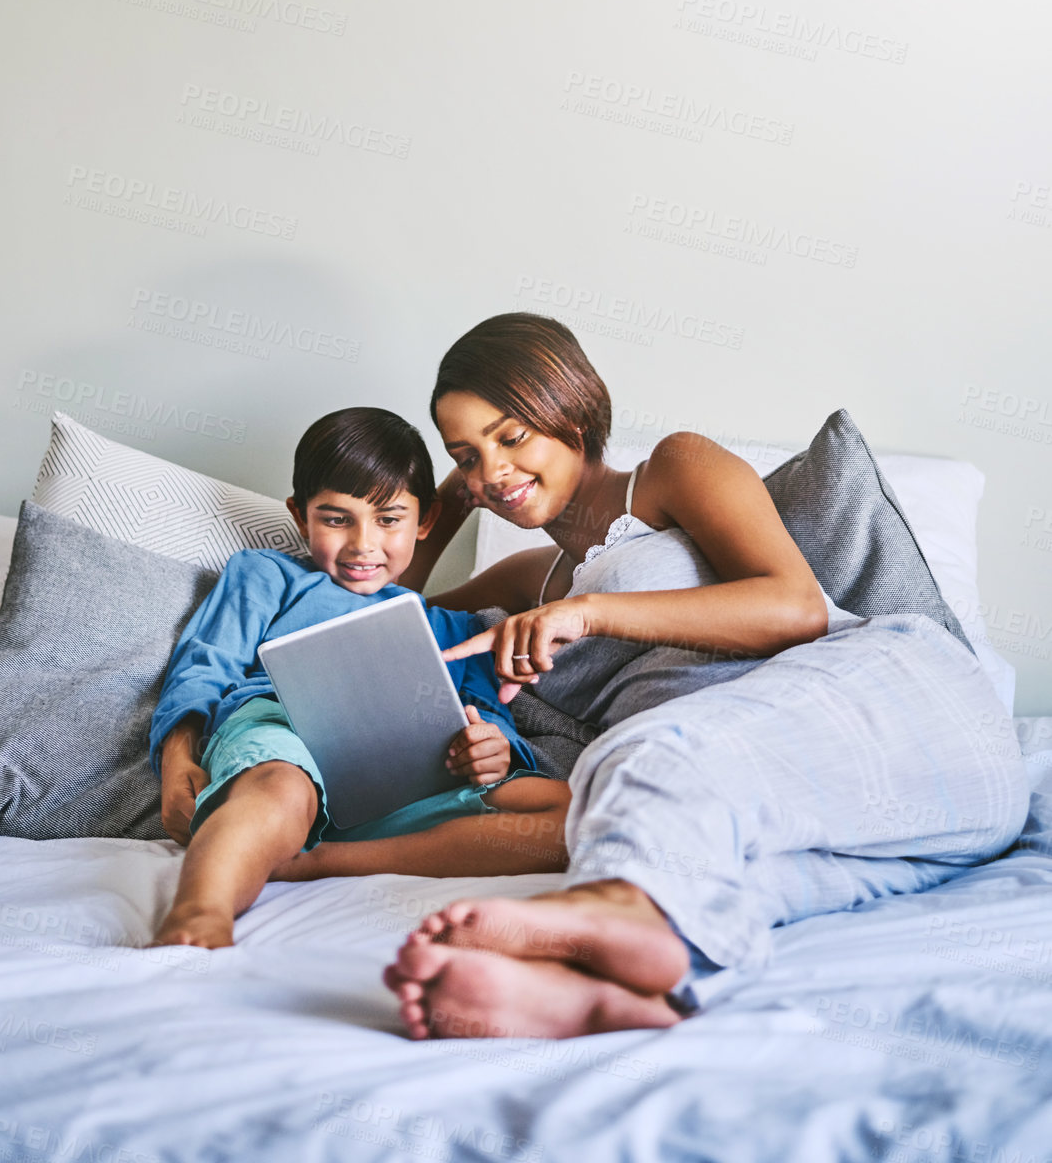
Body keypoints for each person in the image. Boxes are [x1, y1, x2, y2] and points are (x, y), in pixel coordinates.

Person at [382, 313, 1030, 1038]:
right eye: (466, 455)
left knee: (638, 759)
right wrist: (443, 505)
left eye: (511, 436)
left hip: (911, 715)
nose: (493, 471)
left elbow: (793, 605)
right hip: (868, 826)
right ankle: (605, 989)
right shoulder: (528, 580)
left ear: (569, 409)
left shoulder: (668, 472)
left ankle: (601, 909)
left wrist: (593, 614)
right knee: (717, 882)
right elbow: (382, 617)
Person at [148, 406, 570, 950]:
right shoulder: (266, 575)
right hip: (283, 732)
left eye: (389, 519)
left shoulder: (456, 630)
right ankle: (199, 914)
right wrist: (176, 757)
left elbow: (488, 715)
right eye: (336, 518)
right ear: (301, 516)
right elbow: (204, 667)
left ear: (425, 521)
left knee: (567, 814)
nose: (363, 545)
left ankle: (318, 862)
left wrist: (494, 748)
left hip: (409, 782)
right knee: (279, 785)